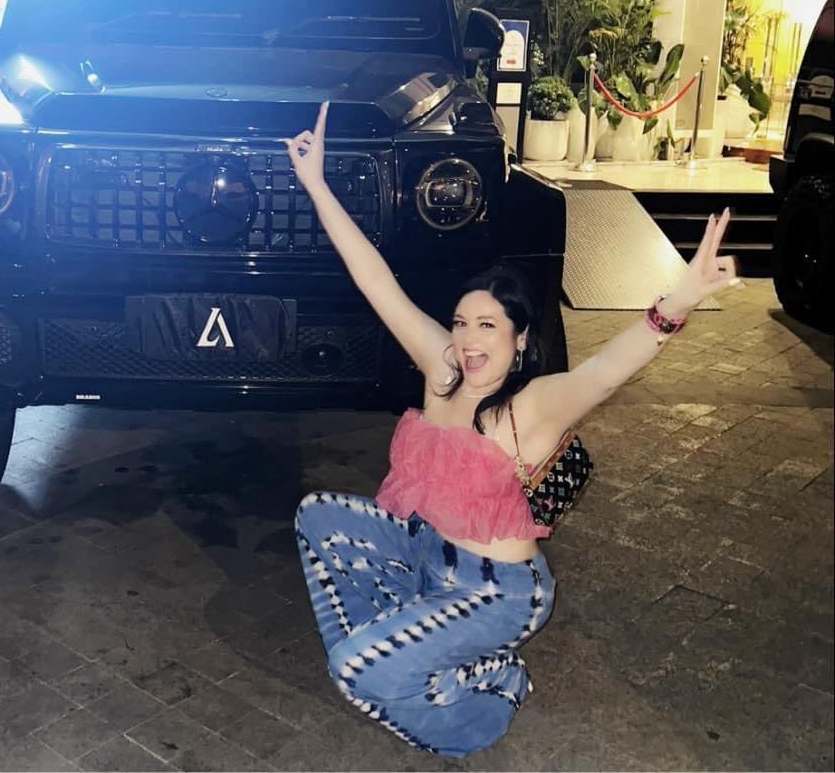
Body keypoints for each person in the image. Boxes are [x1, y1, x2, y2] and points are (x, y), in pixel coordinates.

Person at [286, 102, 740, 757]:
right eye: (464, 322)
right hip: (423, 558)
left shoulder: (531, 407)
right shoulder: (441, 368)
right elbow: (374, 278)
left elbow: (609, 370)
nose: (470, 340)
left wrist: (680, 299)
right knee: (316, 517)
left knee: (355, 670)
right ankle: (407, 650)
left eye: (488, 326)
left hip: (494, 592)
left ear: (519, 339)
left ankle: (483, 693)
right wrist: (317, 185)